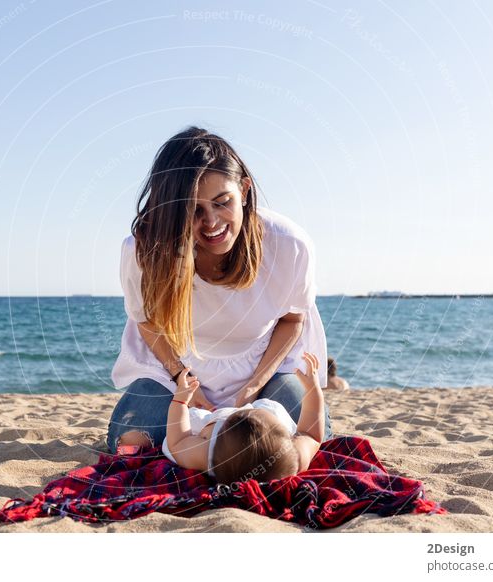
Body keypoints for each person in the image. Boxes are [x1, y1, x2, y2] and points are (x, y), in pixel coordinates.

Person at [107, 126, 333, 454]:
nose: (211, 222)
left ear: (243, 190)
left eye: (221, 202)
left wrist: (254, 387)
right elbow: (147, 323)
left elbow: (293, 320)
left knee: (299, 444)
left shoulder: (290, 245)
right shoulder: (143, 251)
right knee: (130, 447)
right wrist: (182, 380)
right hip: (174, 375)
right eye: (194, 210)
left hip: (265, 372)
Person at [162, 352, 327, 484]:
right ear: (288, 442)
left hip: (217, 427)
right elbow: (310, 433)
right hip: (251, 425)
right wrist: (313, 390)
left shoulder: (208, 454)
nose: (250, 409)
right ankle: (266, 412)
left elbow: (178, 442)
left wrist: (181, 400)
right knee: (271, 409)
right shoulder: (294, 458)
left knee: (194, 419)